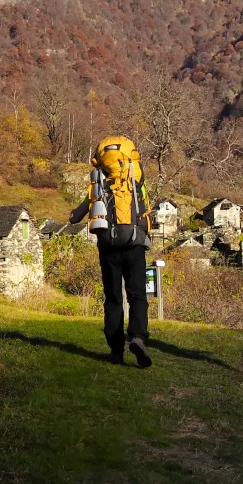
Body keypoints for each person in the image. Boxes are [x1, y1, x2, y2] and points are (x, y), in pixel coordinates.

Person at [69, 136, 153, 367]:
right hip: (134, 243)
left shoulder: (99, 185)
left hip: (107, 246)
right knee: (137, 295)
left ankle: (116, 351)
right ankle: (137, 336)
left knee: (113, 298)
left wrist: (75, 214)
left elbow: (76, 215)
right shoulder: (137, 179)